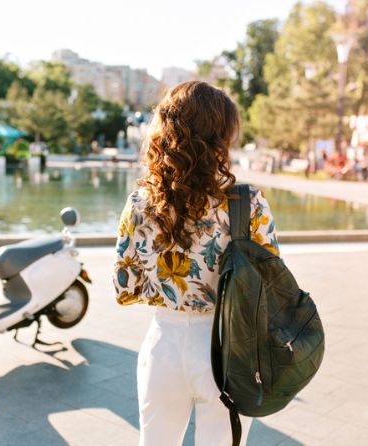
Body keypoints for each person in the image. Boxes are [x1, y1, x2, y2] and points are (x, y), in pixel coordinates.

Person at [112, 81, 279, 445]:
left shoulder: (141, 203)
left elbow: (124, 289)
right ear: (222, 136)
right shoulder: (248, 203)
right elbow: (272, 285)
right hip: (229, 347)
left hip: (164, 345)